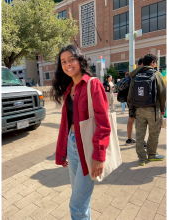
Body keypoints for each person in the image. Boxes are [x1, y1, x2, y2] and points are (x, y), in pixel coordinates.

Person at [50, 45, 111, 219]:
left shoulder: (93, 84)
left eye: (71, 59)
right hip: (72, 144)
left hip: (87, 148)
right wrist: (63, 152)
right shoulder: (69, 89)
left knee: (77, 203)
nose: (67, 64)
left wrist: (99, 156)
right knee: (81, 198)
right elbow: (65, 125)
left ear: (80, 60)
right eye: (63, 61)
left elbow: (103, 123)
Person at [127, 54, 166, 166]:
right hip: (154, 110)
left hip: (139, 110)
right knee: (154, 133)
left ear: (143, 63)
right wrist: (163, 109)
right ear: (153, 63)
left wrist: (132, 109)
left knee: (139, 134)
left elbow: (130, 95)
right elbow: (162, 94)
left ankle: (141, 158)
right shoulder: (156, 74)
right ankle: (152, 154)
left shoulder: (136, 75)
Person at [126, 58, 143, 145]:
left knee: (131, 120)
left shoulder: (132, 74)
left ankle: (129, 139)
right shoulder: (140, 74)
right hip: (138, 101)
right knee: (140, 121)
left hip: (131, 101)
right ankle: (141, 141)